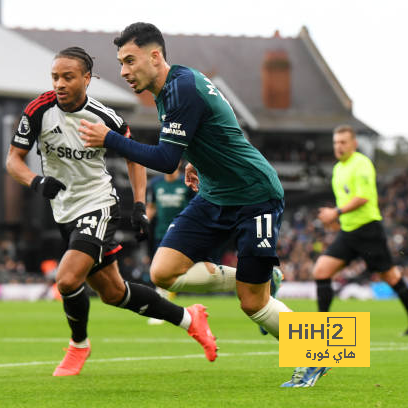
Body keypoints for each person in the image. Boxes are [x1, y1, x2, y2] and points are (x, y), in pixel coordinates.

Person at [79, 22, 327, 387]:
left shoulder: (181, 90)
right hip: (214, 194)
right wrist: (199, 158)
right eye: (121, 62)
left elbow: (165, 161)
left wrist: (110, 139)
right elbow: (219, 127)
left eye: (130, 61)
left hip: (254, 195)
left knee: (252, 303)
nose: (123, 71)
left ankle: (314, 355)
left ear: (155, 55)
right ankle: (265, 278)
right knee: (162, 271)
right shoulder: (175, 86)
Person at [5, 46, 217, 377]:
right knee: (114, 293)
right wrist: (36, 182)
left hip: (98, 204)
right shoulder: (38, 110)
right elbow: (13, 160)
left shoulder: (106, 118)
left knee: (66, 279)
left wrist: (137, 203)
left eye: (68, 77)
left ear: (87, 79)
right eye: (55, 77)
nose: (59, 84)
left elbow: (134, 157)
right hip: (64, 211)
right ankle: (190, 319)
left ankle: (78, 345)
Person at [314, 125, 408, 336]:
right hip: (348, 232)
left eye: (343, 142)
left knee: (391, 277)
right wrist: (336, 220)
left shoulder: (362, 164)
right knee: (321, 270)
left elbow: (362, 197)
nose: (339, 146)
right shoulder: (338, 169)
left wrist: (335, 212)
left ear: (354, 144)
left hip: (368, 231)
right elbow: (346, 202)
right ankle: (323, 330)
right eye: (336, 142)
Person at [145, 165, 194, 324]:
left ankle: (164, 306)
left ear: (178, 164)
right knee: (159, 271)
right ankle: (161, 307)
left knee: (179, 272)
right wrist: (144, 222)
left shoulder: (185, 183)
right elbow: (151, 207)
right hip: (161, 233)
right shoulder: (156, 184)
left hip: (182, 233)